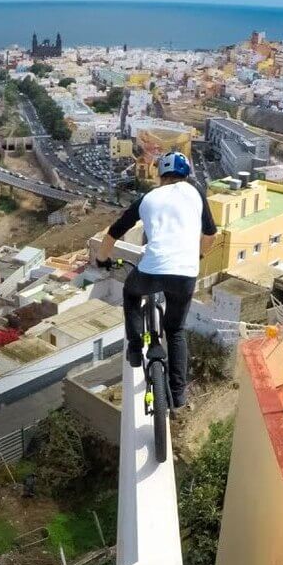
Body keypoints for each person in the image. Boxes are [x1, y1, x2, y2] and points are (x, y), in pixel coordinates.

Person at [96, 151, 217, 408]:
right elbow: (210, 234)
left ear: (161, 175)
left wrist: (102, 259)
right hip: (185, 273)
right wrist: (199, 254)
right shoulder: (196, 193)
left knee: (131, 293)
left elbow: (114, 232)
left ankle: (135, 345)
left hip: (152, 271)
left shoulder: (147, 198)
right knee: (175, 331)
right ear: (186, 175)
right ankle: (179, 394)